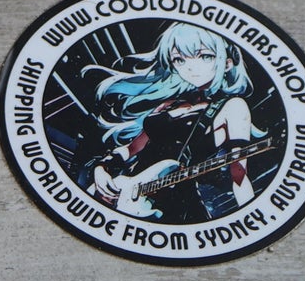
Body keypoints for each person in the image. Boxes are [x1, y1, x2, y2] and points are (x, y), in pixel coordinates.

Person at [81, 22, 261, 221]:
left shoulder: (233, 106)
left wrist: (250, 222)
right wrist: (102, 168)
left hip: (177, 209)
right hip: (128, 195)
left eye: (205, 56)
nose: (191, 67)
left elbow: (239, 175)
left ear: (227, 63)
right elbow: (132, 148)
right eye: (179, 59)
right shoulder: (170, 104)